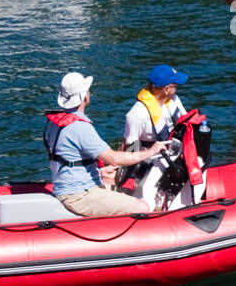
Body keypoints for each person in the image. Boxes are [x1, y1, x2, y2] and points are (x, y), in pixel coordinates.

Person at [44, 72, 166, 217]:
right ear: (85, 97)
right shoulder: (80, 127)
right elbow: (113, 158)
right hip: (79, 194)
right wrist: (150, 152)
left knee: (136, 194)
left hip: (66, 187)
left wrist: (101, 171)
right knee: (142, 206)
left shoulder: (54, 123)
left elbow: (70, 157)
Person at [124, 64, 188, 150]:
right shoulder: (137, 114)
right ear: (166, 89)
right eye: (176, 85)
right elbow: (129, 148)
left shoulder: (174, 99)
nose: (177, 88)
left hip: (178, 152)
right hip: (154, 160)